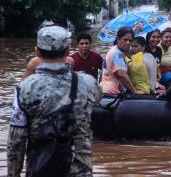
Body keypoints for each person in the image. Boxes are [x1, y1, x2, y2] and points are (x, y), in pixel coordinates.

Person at [7, 26, 102, 176]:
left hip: (40, 169)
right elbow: (96, 99)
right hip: (80, 170)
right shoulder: (89, 84)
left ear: (37, 51)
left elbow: (16, 143)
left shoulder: (24, 89)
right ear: (67, 51)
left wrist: (13, 174)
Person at [100, 27, 141, 94]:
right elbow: (122, 74)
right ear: (118, 39)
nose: (128, 43)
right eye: (125, 40)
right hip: (112, 92)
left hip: (105, 89)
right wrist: (134, 91)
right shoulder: (117, 54)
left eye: (130, 40)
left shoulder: (115, 50)